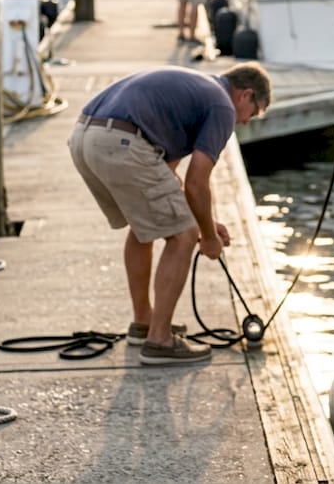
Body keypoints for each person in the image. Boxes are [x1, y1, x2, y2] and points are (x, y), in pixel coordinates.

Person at [68, 63, 271, 365]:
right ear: (245, 95)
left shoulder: (197, 89)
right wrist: (208, 237)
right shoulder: (222, 106)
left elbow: (166, 178)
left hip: (85, 137)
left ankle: (144, 323)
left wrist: (205, 223)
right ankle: (160, 341)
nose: (244, 123)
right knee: (183, 237)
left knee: (143, 227)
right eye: (252, 114)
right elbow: (196, 182)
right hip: (121, 143)